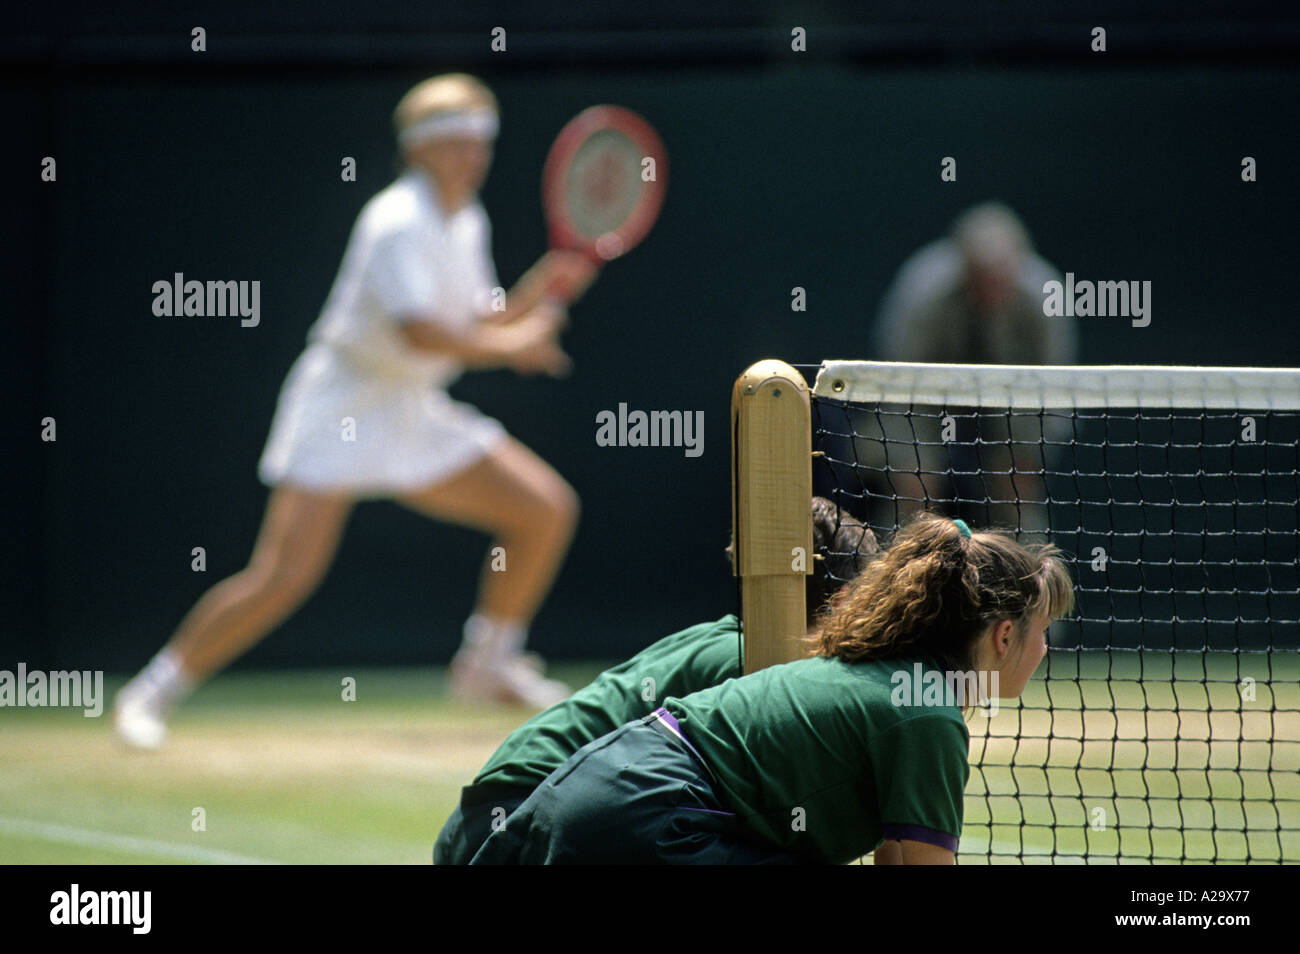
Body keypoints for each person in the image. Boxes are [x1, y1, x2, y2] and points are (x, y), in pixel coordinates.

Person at [114, 74, 600, 749]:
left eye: (480, 141)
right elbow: (421, 334)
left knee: (544, 509)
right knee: (282, 577)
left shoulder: (467, 219)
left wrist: (540, 291)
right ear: (420, 150)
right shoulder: (395, 219)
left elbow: (478, 320)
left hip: (411, 405)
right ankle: (153, 692)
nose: (473, 155)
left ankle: (487, 663)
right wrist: (511, 343)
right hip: (341, 402)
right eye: (456, 142)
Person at [469, 513, 1075, 865]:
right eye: (1041, 631)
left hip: (586, 802)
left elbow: (898, 855)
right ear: (1001, 636)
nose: (1045, 649)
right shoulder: (928, 713)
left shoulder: (889, 678)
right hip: (642, 814)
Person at [433, 497, 877, 864]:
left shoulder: (728, 641)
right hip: (517, 824)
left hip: (489, 822)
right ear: (841, 600)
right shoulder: (756, 663)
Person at [860, 202, 1080, 537]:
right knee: (913, 485)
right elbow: (897, 388)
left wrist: (1028, 453)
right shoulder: (921, 295)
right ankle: (898, 572)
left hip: (1013, 407)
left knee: (1018, 491)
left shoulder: (1044, 301)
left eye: (1000, 279)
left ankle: (1029, 573)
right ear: (962, 266)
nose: (991, 290)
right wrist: (910, 461)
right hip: (923, 401)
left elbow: (1053, 392)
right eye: (981, 278)